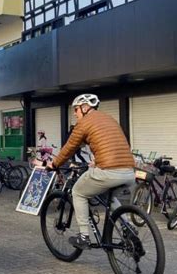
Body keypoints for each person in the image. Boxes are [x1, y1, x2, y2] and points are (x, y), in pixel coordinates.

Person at [48, 94, 135, 249]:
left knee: (78, 192)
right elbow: (111, 143)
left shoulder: (84, 123)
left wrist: (54, 164)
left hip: (108, 172)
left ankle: (84, 236)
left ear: (85, 108)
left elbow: (69, 148)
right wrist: (97, 160)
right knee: (108, 195)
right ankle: (127, 228)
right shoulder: (109, 119)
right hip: (129, 171)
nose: (74, 113)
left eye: (76, 109)